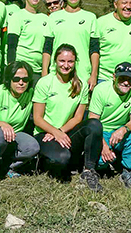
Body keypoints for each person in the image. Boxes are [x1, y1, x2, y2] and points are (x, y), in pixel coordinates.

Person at [33, 44, 103, 192]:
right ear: (55, 62)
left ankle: (89, 171)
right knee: (62, 158)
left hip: (66, 132)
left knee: (94, 124)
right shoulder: (45, 83)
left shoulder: (81, 84)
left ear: (75, 62)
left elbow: (78, 117)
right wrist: (55, 133)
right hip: (45, 134)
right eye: (62, 61)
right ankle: (43, 162)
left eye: (70, 61)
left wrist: (61, 131)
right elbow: (37, 118)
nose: (66, 65)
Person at [88, 62, 131, 188]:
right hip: (101, 131)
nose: (126, 82)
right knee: (100, 163)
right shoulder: (101, 90)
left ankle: (128, 170)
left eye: (130, 79)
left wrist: (123, 129)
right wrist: (103, 146)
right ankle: (107, 164)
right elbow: (92, 122)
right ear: (114, 77)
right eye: (122, 78)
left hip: (120, 131)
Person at [42, 0, 99, 90]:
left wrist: (93, 75)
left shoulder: (90, 17)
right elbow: (47, 48)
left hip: (82, 74)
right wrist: (44, 72)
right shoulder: (53, 17)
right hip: (56, 73)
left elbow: (94, 50)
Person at [0, 61, 40, 177]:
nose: (21, 83)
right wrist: (2, 124)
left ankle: (9, 167)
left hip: (17, 133)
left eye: (25, 80)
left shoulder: (30, 93)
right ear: (9, 79)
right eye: (16, 79)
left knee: (33, 147)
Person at [7, 0, 49, 84]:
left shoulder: (46, 18)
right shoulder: (17, 16)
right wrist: (12, 70)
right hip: (21, 71)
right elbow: (11, 45)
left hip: (38, 71)